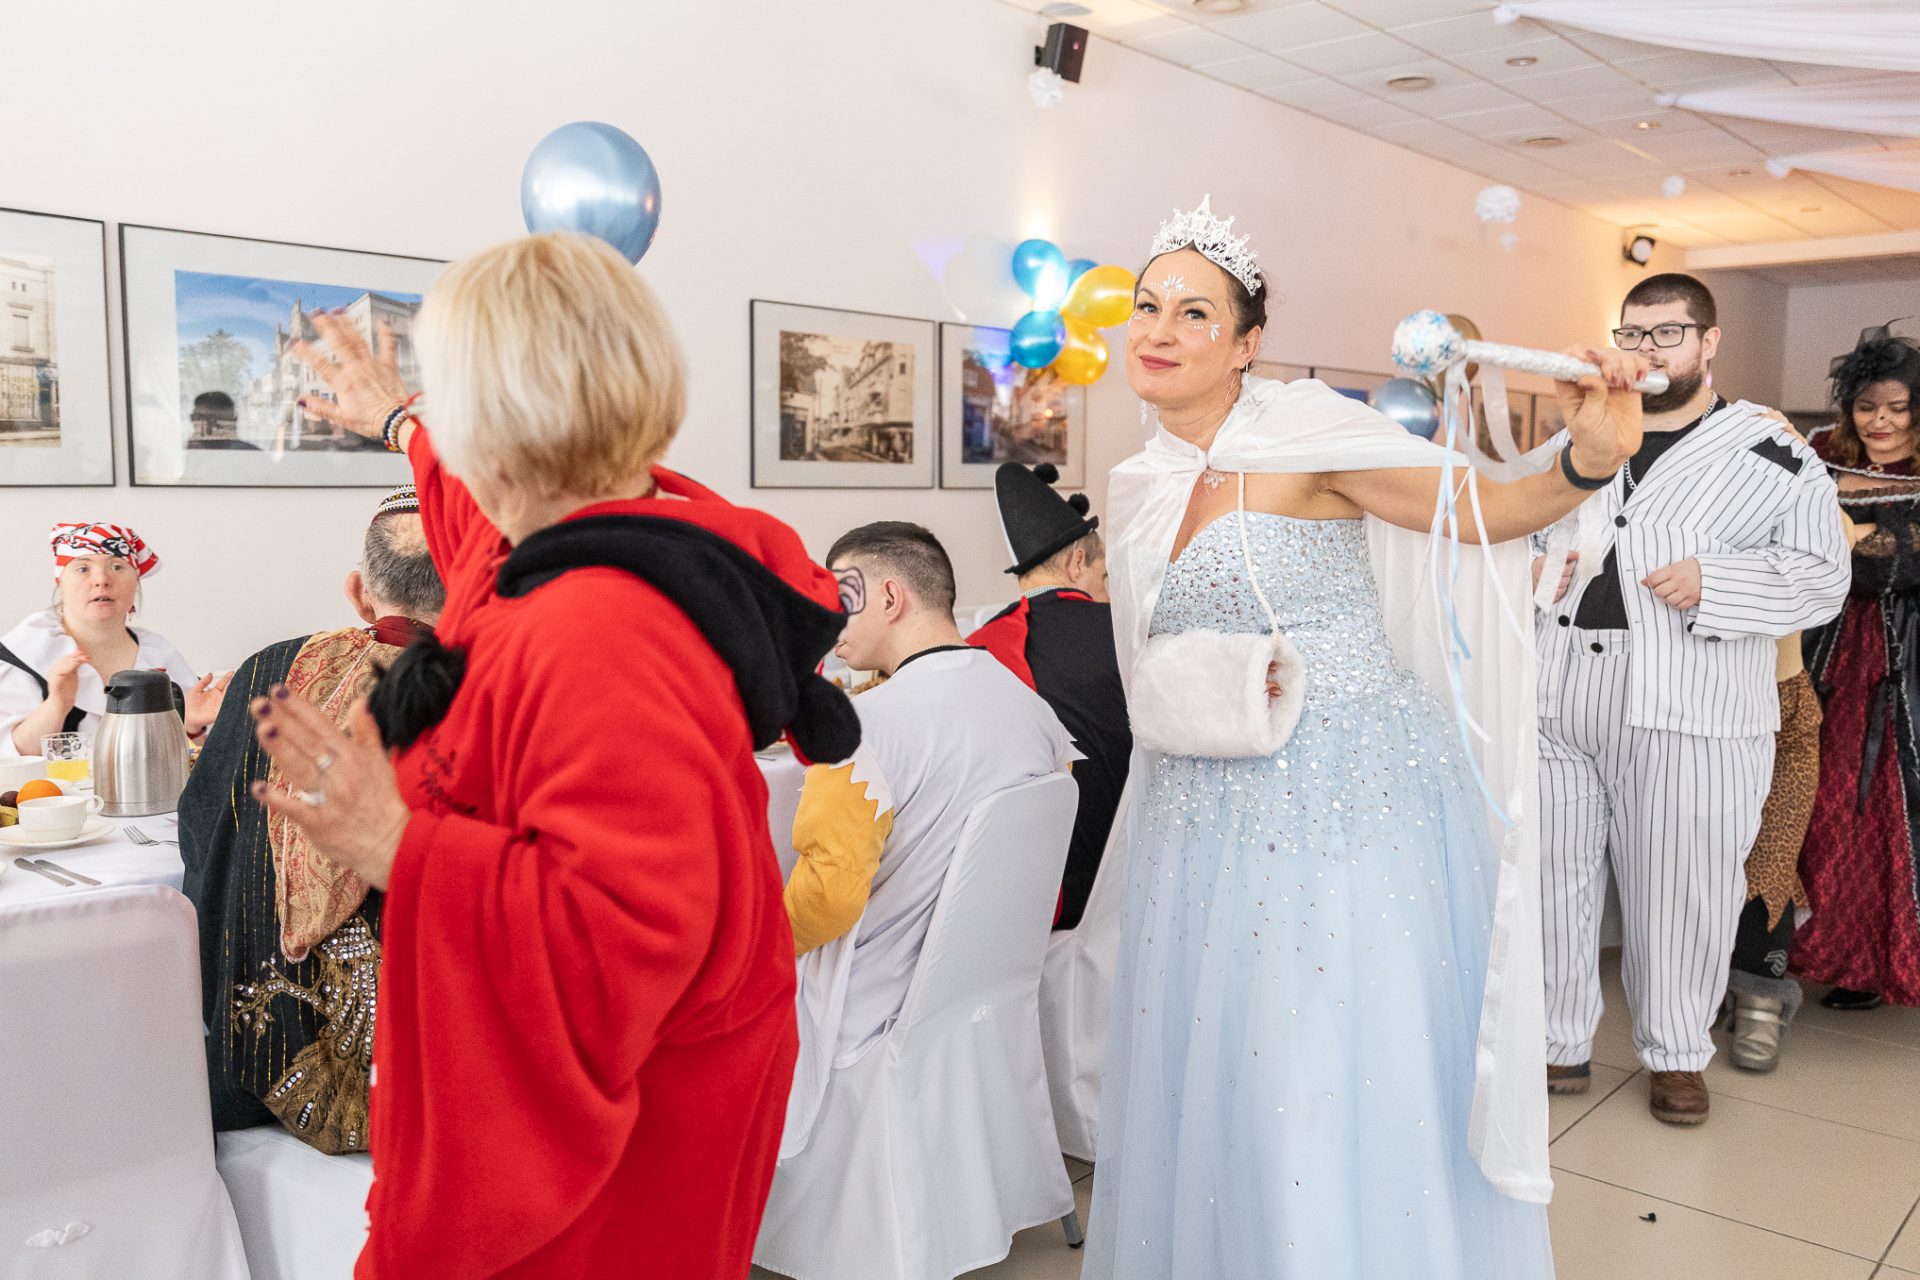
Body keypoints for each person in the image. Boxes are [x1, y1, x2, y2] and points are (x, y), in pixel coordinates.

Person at [244, 232, 858, 1278]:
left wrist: (397, 846)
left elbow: (625, 931)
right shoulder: (586, 533)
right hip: (678, 1081)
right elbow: (474, 534)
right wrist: (400, 421)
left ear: (497, 430)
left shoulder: (593, 628)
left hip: (622, 1151)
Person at [1089, 194, 1647, 1279]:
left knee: (1314, 1064)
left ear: (1247, 344)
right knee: (1220, 1067)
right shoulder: (1139, 482)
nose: (1159, 331)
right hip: (1201, 808)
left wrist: (1586, 461)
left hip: (1340, 800)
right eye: (1148, 306)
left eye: (1195, 313)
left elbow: (1484, 511)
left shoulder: (1310, 439)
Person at [1536, 274, 1848, 1126]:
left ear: (1708, 342)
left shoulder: (1772, 452)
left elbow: (1823, 575)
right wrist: (1531, 569)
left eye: (1667, 333)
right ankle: (1557, 1038)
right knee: (1551, 874)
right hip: (1560, 691)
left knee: (1683, 884)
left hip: (1693, 700)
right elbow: (1519, 523)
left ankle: (1675, 1053)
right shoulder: (1583, 431)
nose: (1647, 350)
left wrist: (1719, 581)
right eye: (1633, 333)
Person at [779, 520, 1076, 1156]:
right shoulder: (1034, 711)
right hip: (980, 986)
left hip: (875, 997)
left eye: (841, 598)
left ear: (890, 597)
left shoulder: (858, 731)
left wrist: (752, 943)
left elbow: (826, 902)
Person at [179, 486, 444, 1153]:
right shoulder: (499, 686)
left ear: (360, 594)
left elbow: (202, 829)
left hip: (245, 1063)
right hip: (419, 1087)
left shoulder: (268, 669)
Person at [1795, 324, 1920, 1011]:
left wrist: (1853, 543)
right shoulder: (1816, 459)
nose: (1881, 422)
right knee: (1811, 798)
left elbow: (1897, 566)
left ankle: (1867, 962)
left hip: (1901, 659)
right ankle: (1785, 950)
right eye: (1867, 407)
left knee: (1880, 806)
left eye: (1898, 408)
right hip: (1820, 648)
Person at [968, 462, 1129, 929]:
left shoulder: (976, 647)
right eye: (1104, 576)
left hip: (1006, 894)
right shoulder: (1125, 636)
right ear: (1078, 562)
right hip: (1120, 881)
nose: (1107, 591)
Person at [0, 523, 228, 756]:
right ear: (60, 584)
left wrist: (191, 726)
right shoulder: (24, 653)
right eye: (82, 569)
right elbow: (9, 760)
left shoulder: (162, 655)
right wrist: (57, 704)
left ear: (135, 584)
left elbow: (186, 759)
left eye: (117, 567)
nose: (101, 580)